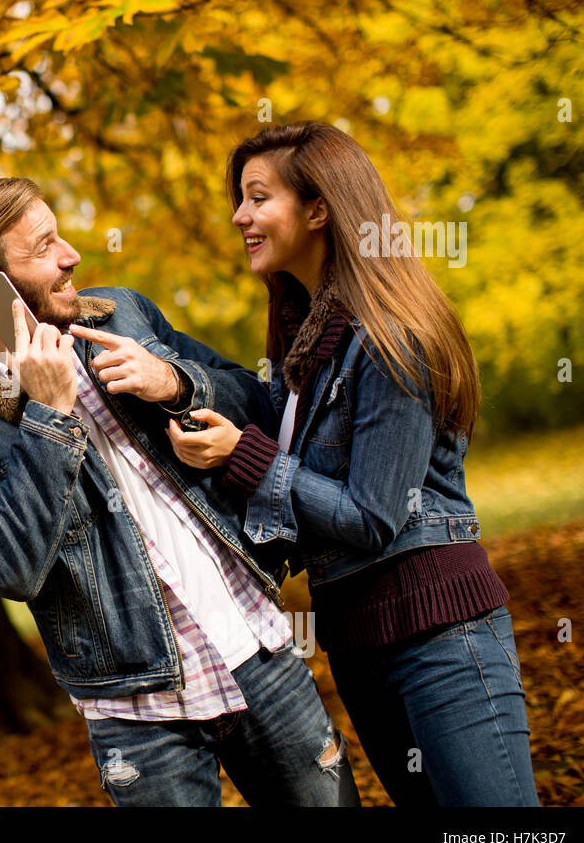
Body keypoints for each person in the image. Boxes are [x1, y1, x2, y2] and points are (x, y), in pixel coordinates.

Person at [0, 177, 359, 806]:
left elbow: (256, 399)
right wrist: (49, 419)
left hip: (255, 648)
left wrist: (175, 382)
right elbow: (9, 567)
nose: (71, 256)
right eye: (44, 246)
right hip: (134, 711)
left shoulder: (122, 312)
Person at [168, 122, 539, 806]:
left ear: (318, 208)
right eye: (239, 200)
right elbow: (299, 501)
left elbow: (372, 517)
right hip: (360, 641)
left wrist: (243, 457)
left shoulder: (392, 339)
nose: (238, 216)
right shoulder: (305, 345)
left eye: (257, 197)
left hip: (439, 637)